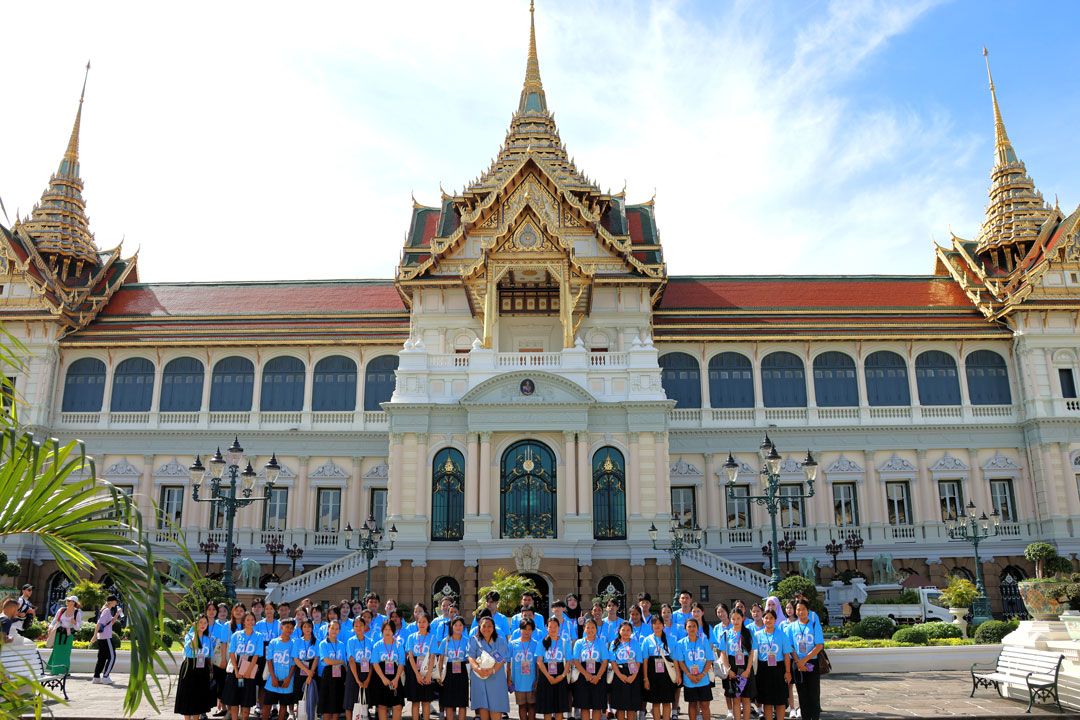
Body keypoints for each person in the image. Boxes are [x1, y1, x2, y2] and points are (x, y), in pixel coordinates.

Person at [469, 613, 510, 720]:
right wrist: (477, 669)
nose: (486, 628)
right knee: (483, 706)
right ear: (479, 627)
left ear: (494, 627)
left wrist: (492, 671)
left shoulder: (500, 640)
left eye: (489, 626)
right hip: (479, 677)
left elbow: (501, 659)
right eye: (484, 626)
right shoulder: (474, 640)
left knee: (496, 707)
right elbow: (470, 657)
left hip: (496, 677)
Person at [175, 614, 217, 720]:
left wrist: (211, 671)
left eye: (205, 623)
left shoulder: (208, 639)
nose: (203, 625)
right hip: (189, 668)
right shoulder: (190, 636)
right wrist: (196, 632)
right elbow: (192, 645)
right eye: (200, 622)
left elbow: (209, 657)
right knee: (188, 695)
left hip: (202, 669)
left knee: (199, 697)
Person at [753, 610, 793, 720]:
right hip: (763, 670)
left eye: (771, 618)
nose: (768, 620)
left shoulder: (782, 634)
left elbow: (786, 655)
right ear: (763, 619)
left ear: (775, 620)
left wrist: (788, 672)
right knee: (767, 701)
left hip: (779, 670)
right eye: (766, 618)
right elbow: (754, 655)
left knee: (780, 701)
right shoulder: (757, 635)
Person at [224, 612, 263, 720]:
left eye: (252, 619)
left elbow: (256, 655)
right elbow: (232, 653)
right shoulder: (236, 635)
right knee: (234, 700)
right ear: (243, 622)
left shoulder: (259, 636)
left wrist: (248, 671)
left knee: (246, 702)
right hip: (235, 668)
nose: (250, 622)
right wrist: (236, 670)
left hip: (250, 669)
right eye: (248, 620)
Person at [719, 608, 756, 720]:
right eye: (733, 619)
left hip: (745, 667)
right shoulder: (726, 634)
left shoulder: (749, 633)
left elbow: (751, 654)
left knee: (746, 699)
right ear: (730, 620)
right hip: (732, 667)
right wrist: (728, 670)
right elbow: (723, 654)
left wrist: (748, 670)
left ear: (743, 619)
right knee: (736, 698)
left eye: (738, 618)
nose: (736, 621)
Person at [788, 601, 823, 720]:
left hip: (811, 663)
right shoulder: (792, 626)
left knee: (814, 694)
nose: (800, 612)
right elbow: (790, 646)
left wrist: (805, 660)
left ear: (808, 611)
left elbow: (819, 645)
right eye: (798, 609)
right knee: (802, 695)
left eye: (803, 609)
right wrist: (798, 661)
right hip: (797, 664)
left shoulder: (814, 624)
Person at [674, 619, 714, 720]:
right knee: (692, 704)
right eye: (689, 626)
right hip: (689, 680)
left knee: (705, 704)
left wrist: (702, 674)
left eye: (694, 626)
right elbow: (681, 662)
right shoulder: (680, 643)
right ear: (685, 628)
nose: (692, 629)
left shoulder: (704, 641)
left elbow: (709, 659)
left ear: (697, 628)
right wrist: (689, 675)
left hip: (703, 679)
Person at [640, 615, 677, 720]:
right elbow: (645, 661)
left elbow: (675, 659)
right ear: (651, 625)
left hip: (667, 674)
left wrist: (678, 674)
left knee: (666, 702)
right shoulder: (647, 640)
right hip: (652, 674)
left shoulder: (670, 639)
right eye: (655, 623)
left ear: (663, 625)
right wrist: (645, 678)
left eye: (659, 623)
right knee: (655, 703)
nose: (657, 625)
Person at [571, 617, 608, 720]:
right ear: (584, 629)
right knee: (584, 706)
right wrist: (586, 674)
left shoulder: (601, 642)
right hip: (583, 676)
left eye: (593, 627)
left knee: (597, 706)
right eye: (588, 627)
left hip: (598, 677)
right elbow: (576, 661)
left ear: (596, 629)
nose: (590, 630)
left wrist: (598, 677)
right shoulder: (579, 643)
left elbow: (605, 661)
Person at [370, 618, 406, 720]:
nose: (387, 632)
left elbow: (401, 663)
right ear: (382, 631)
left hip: (396, 677)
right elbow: (375, 663)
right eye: (385, 629)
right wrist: (383, 678)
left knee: (398, 705)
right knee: (382, 706)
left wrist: (396, 678)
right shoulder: (377, 645)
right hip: (381, 678)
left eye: (390, 629)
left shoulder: (398, 645)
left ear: (393, 631)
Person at [536, 617, 572, 720]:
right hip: (545, 675)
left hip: (561, 673)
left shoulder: (565, 642)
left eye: (555, 626)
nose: (553, 629)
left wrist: (562, 676)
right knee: (547, 707)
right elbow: (539, 661)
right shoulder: (542, 642)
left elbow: (568, 661)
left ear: (559, 628)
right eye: (550, 626)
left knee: (559, 707)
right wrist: (548, 676)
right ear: (546, 628)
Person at [405, 613, 437, 720]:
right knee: (415, 702)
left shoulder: (432, 637)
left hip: (427, 669)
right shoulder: (411, 637)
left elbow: (432, 657)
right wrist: (417, 675)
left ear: (428, 623)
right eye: (419, 622)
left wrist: (428, 675)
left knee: (426, 701)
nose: (422, 624)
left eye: (424, 621)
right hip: (414, 671)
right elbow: (410, 657)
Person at [264, 619, 297, 720]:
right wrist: (273, 677)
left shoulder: (294, 643)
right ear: (281, 627)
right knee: (267, 706)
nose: (289, 630)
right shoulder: (274, 642)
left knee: (283, 706)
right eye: (287, 627)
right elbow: (269, 660)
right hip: (272, 679)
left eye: (291, 628)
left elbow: (294, 664)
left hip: (287, 680)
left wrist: (288, 679)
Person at [608, 622, 642, 720]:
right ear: (619, 631)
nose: (625, 632)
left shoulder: (635, 643)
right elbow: (613, 661)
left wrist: (633, 676)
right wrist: (620, 675)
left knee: (631, 707)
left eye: (628, 630)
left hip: (633, 675)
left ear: (631, 632)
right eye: (623, 630)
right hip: (619, 675)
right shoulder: (614, 643)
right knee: (620, 707)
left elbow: (638, 661)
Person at [438, 617, 470, 720]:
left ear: (463, 627)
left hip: (462, 671)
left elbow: (470, 658)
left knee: (462, 702)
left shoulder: (467, 641)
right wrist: (439, 675)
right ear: (452, 626)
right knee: (449, 702)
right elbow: (441, 659)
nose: (458, 627)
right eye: (456, 625)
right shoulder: (445, 641)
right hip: (448, 671)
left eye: (460, 625)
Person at [509, 618, 541, 720]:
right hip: (518, 680)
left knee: (532, 705)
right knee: (521, 705)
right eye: (524, 629)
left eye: (529, 629)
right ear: (520, 629)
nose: (527, 632)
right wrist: (508, 678)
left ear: (533, 630)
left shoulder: (536, 644)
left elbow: (538, 664)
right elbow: (509, 662)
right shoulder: (513, 644)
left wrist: (537, 679)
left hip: (532, 680)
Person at [318, 619, 348, 720]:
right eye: (332, 628)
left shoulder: (342, 644)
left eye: (337, 629)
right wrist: (341, 662)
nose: (334, 631)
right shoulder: (323, 644)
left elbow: (345, 662)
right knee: (327, 705)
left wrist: (346, 672)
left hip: (340, 675)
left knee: (337, 704)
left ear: (339, 630)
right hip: (328, 675)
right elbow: (327, 660)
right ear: (328, 629)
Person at [45, 595, 83, 676]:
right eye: (67, 600)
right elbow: (55, 620)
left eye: (70, 601)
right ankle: (54, 670)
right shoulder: (61, 610)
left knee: (66, 653)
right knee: (56, 651)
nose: (68, 602)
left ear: (74, 603)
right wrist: (50, 627)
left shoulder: (77, 612)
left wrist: (75, 623)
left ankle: (64, 671)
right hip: (59, 633)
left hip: (68, 635)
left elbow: (78, 627)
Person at [346, 616, 371, 720]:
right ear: (353, 628)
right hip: (353, 672)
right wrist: (357, 679)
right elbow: (351, 660)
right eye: (356, 625)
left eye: (361, 625)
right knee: (350, 702)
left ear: (365, 626)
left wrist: (368, 679)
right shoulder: (351, 641)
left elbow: (372, 662)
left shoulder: (370, 641)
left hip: (366, 672)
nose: (359, 627)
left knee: (365, 701)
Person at [294, 619, 321, 720]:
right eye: (304, 626)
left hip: (313, 670)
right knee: (300, 695)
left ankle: (312, 716)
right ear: (301, 628)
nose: (307, 629)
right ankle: (301, 716)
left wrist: (310, 674)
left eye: (309, 626)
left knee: (311, 695)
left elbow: (316, 658)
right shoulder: (297, 641)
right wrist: (307, 671)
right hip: (301, 669)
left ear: (312, 628)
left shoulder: (317, 641)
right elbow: (296, 659)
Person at [710, 604, 732, 720]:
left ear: (727, 612)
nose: (721, 614)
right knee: (727, 686)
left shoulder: (734, 624)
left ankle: (740, 706)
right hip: (722, 659)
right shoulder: (717, 628)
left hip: (735, 658)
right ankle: (730, 710)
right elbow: (714, 645)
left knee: (739, 684)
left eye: (722, 611)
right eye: (718, 612)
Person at [92, 595, 120, 684]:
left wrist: (117, 614)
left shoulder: (105, 610)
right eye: (116, 601)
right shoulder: (107, 610)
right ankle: (105, 676)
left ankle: (96, 677)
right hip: (106, 637)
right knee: (112, 657)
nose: (116, 603)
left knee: (102, 658)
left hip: (102, 638)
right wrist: (94, 636)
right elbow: (99, 623)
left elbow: (110, 623)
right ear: (111, 601)